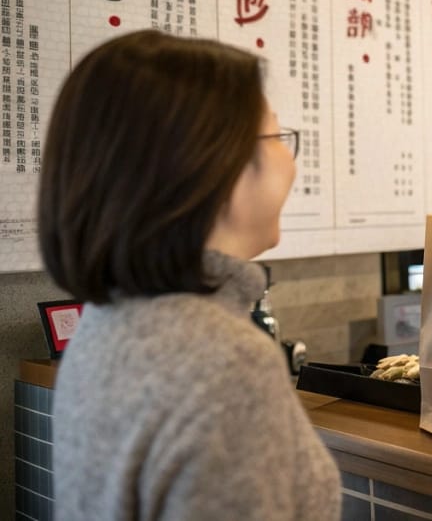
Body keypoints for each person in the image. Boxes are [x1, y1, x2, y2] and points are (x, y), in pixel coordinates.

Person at [38, 31, 341, 520]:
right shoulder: (226, 362)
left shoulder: (109, 319)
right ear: (211, 165)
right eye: (276, 136)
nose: (290, 161)